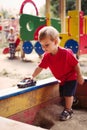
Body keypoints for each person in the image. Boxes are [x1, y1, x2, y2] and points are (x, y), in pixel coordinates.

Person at [27, 26, 84, 121]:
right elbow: (40, 67)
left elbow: (76, 64)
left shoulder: (66, 53)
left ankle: (68, 110)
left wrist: (79, 76)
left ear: (56, 42)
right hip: (61, 79)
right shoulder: (47, 56)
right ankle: (73, 100)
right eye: (42, 45)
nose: (44, 48)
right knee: (63, 95)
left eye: (47, 45)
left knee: (68, 94)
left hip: (71, 77)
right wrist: (32, 76)